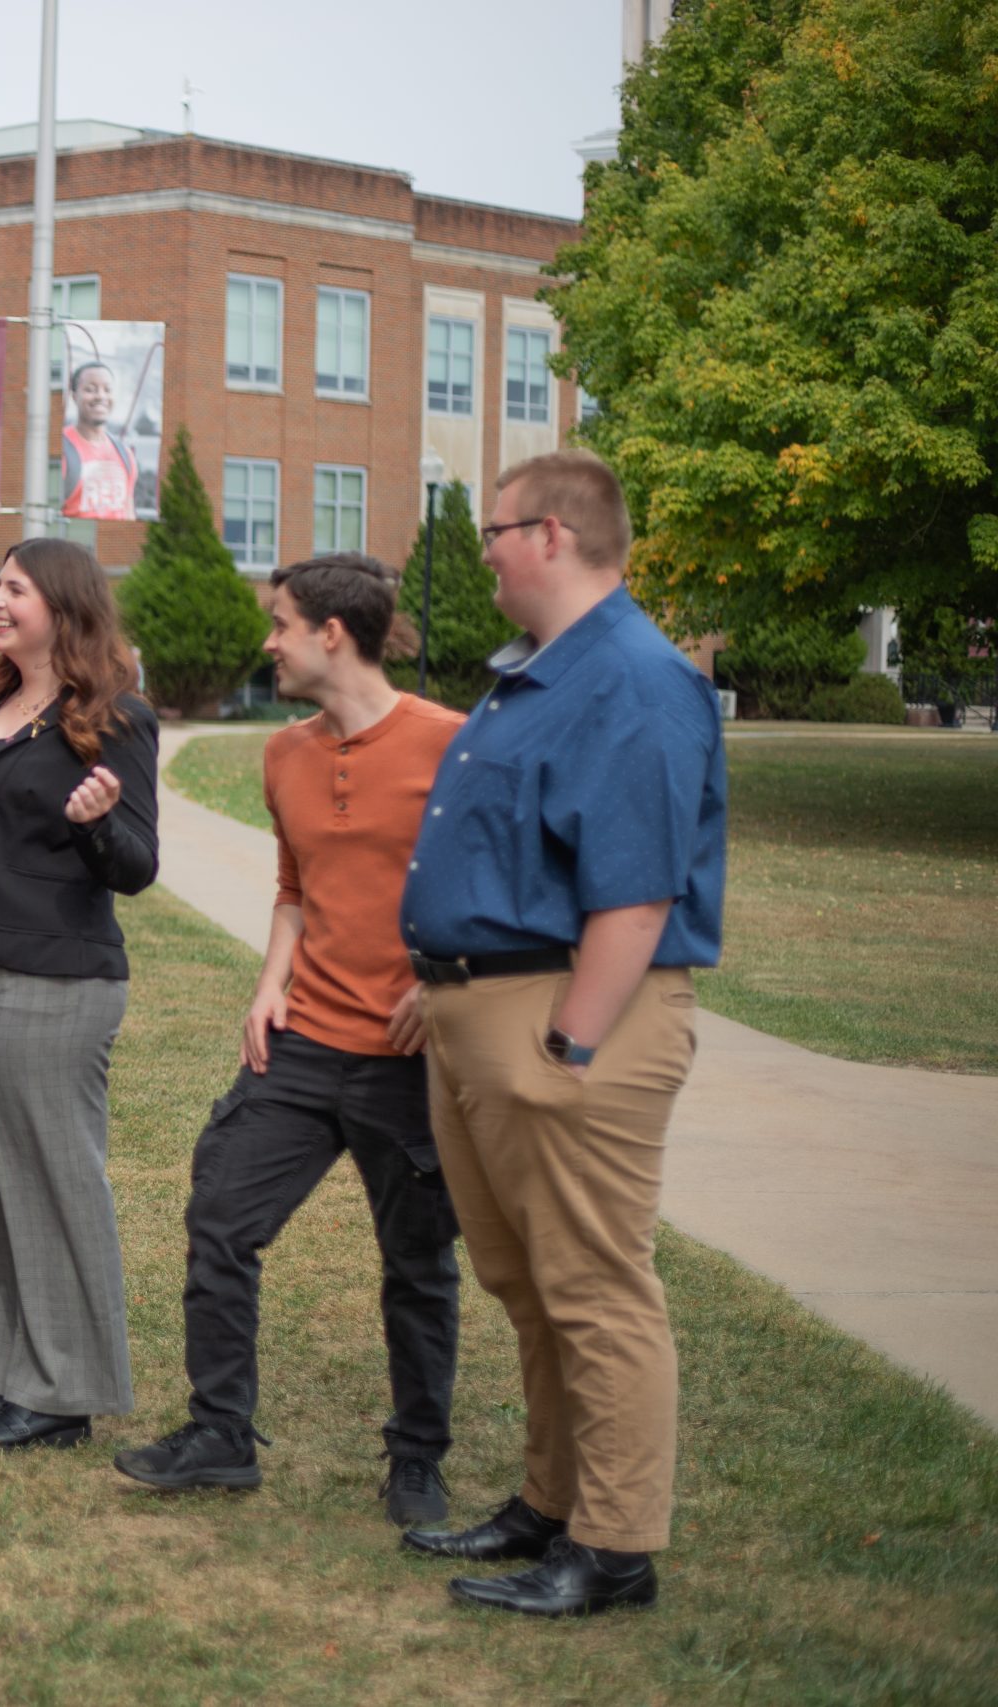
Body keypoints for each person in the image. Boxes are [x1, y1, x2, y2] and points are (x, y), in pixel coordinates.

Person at [396, 450, 725, 1618]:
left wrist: (567, 1046)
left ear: (549, 535)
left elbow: (633, 894)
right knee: (527, 1283)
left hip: (569, 1019)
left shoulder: (632, 679)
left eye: (491, 529)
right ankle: (549, 1504)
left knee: (593, 1287)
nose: (477, 549)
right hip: (482, 1009)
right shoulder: (539, 673)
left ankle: (616, 1549)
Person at [111, 553, 464, 1525]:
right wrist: (268, 986)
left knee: (418, 1264)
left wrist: (444, 990)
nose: (266, 643)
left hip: (409, 1059)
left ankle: (417, 1458)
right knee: (222, 1218)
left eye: (278, 624)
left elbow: (499, 891)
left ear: (330, 635)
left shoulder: (453, 747)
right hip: (302, 1041)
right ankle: (221, 1435)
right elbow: (296, 888)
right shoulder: (283, 755)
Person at [0, 538, 159, 1450]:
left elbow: (137, 866)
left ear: (61, 602)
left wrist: (93, 827)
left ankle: (64, 1392)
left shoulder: (115, 715)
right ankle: (7, 1378)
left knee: (49, 1177)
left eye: (15, 588)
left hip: (52, 973)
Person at [60, 361, 142, 522]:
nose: (100, 396)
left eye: (107, 390)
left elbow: (128, 512)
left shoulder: (125, 454)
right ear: (74, 396)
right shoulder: (59, 448)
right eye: (90, 389)